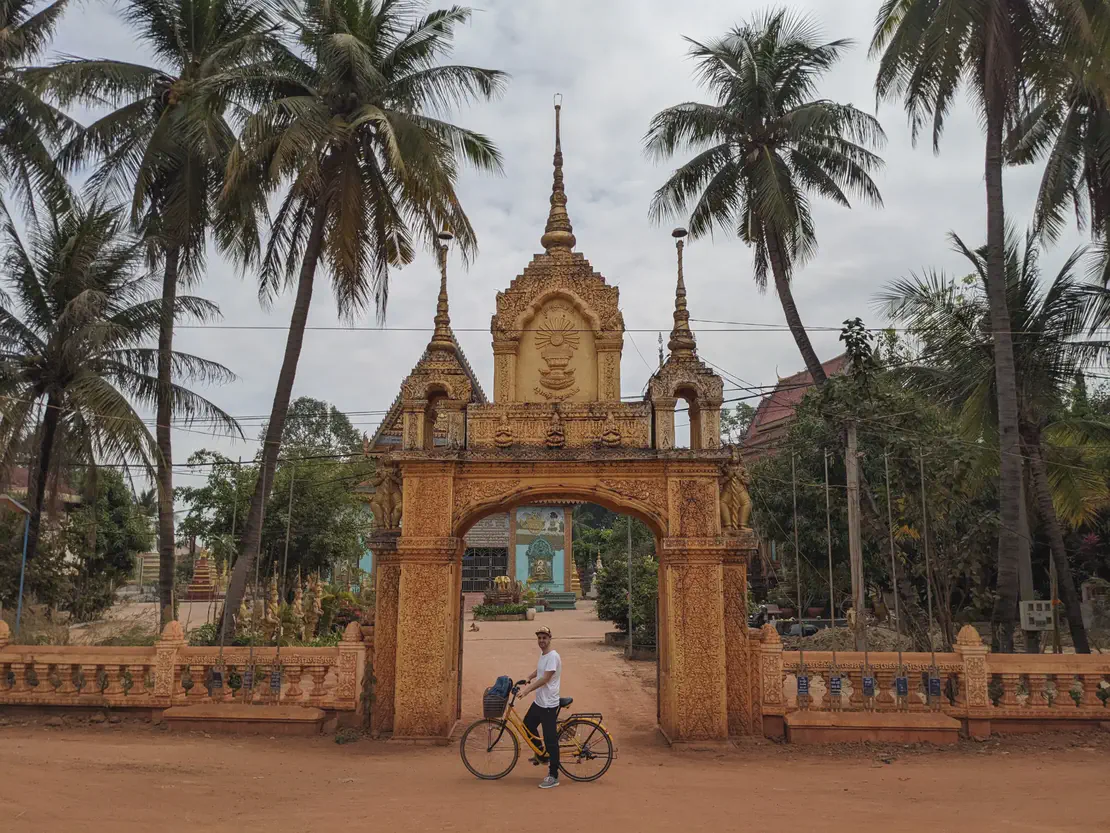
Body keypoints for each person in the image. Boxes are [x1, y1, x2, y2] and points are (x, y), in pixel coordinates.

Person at [518, 625, 561, 789]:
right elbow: (540, 671)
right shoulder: (544, 655)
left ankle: (553, 775)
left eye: (544, 637)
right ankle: (542, 756)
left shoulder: (553, 656)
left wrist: (527, 690)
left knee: (551, 741)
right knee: (527, 724)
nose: (541, 640)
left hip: (549, 703)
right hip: (540, 702)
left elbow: (545, 679)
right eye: (539, 638)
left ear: (550, 639)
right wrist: (528, 677)